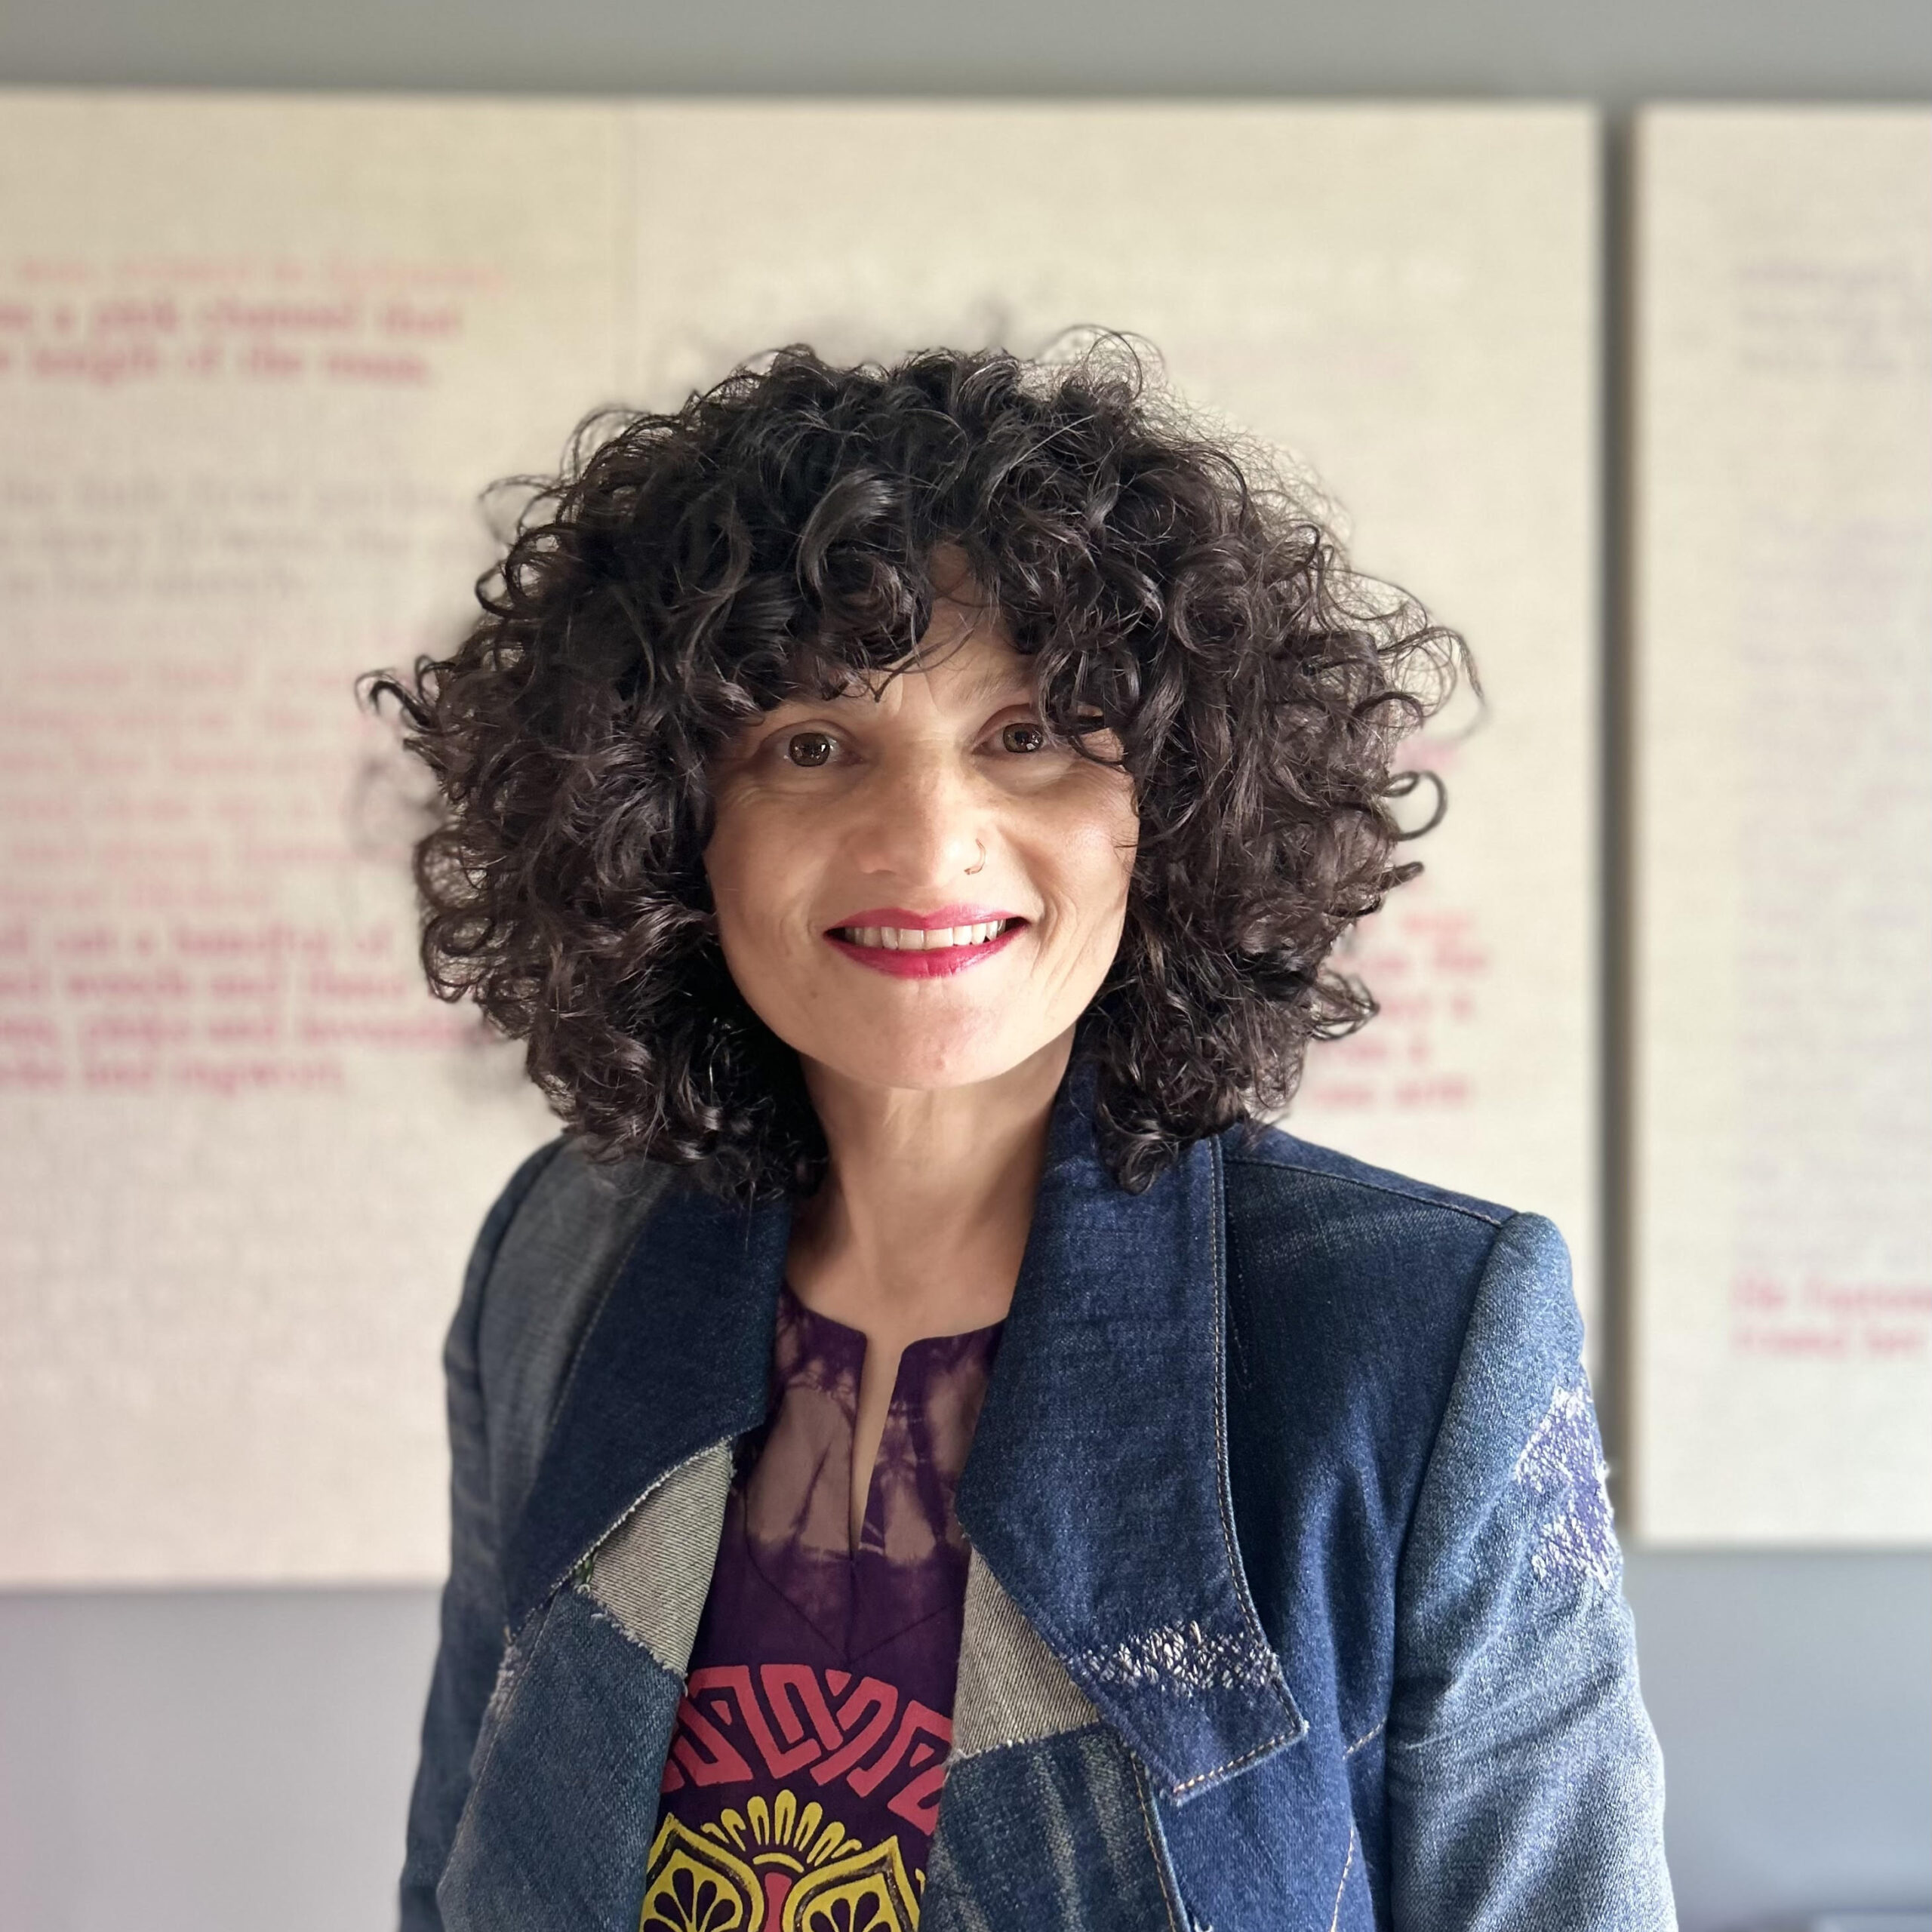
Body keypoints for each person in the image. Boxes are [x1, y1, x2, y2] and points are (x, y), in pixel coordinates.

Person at [369, 340, 1675, 1930]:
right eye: (809, 742)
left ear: (1174, 802)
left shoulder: (1419, 1333)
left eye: (1029, 731)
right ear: (662, 822)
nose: (927, 841)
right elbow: (456, 1872)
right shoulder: (559, 1254)